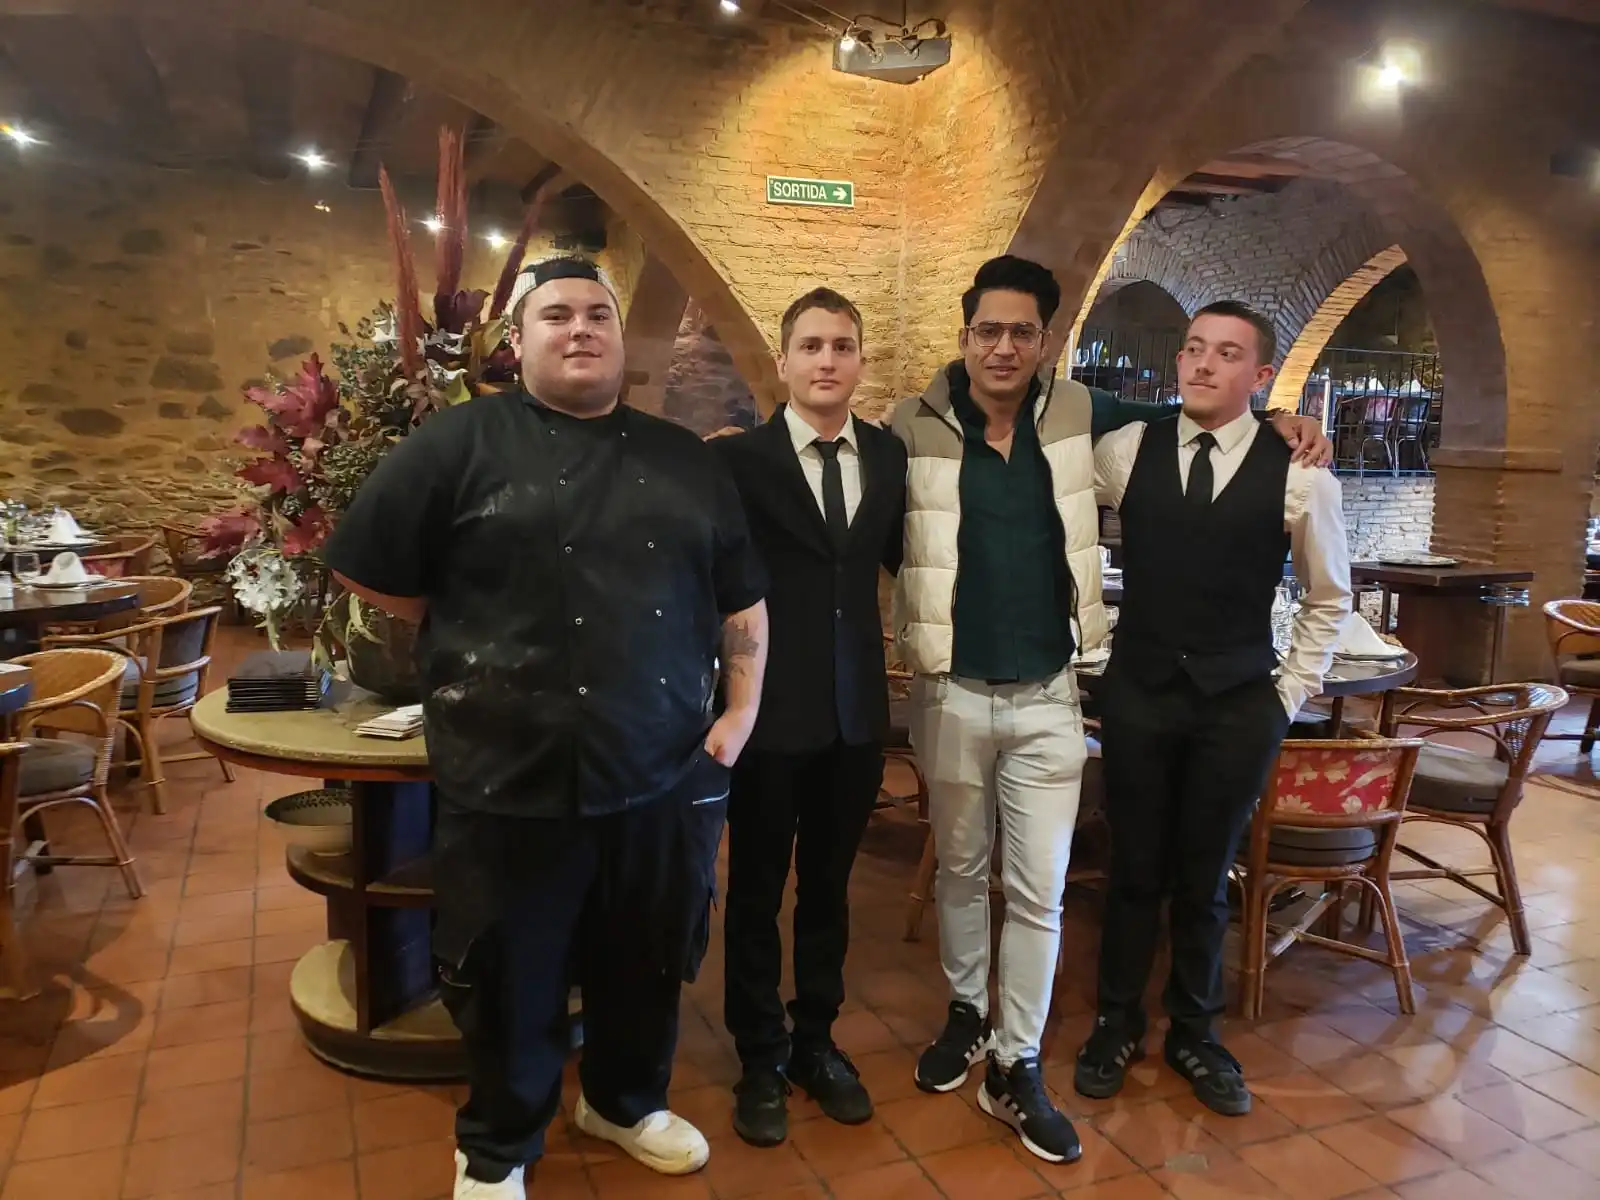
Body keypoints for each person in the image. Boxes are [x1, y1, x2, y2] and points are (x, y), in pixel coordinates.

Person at [322, 255, 769, 1199]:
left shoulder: (684, 458)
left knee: (647, 954)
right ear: (515, 342)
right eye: (556, 314)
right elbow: (374, 575)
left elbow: (740, 594)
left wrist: (739, 712)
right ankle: (495, 1146)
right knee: (510, 971)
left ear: (620, 338)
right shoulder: (455, 446)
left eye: (597, 314)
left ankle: (621, 1101)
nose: (580, 329)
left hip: (660, 766)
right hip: (506, 771)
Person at [890, 256, 1330, 1164]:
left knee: (1080, 888)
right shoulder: (921, 426)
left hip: (1074, 693)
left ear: (1046, 343)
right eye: (988, 329)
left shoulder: (1089, 421)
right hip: (974, 689)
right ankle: (998, 1017)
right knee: (979, 872)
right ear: (966, 335)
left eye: (1022, 331)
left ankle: (1040, 1056)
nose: (1004, 345)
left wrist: (1285, 695)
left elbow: (1324, 589)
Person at [1075, 300, 1351, 1116]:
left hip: (1238, 702)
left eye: (1225, 354)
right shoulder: (1127, 451)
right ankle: (1116, 1021)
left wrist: (1285, 695)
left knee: (1206, 874)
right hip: (1140, 691)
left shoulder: (1302, 474)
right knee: (1132, 867)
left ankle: (1196, 1032)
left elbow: (1328, 599)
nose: (1200, 364)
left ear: (1259, 376)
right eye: (1193, 348)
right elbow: (1047, 509)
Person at [709, 289, 907, 1147]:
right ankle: (759, 1053)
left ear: (861, 361)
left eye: (843, 346)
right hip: (765, 715)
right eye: (812, 346)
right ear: (784, 362)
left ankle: (816, 1043)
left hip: (856, 712)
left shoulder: (890, 458)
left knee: (829, 891)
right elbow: (716, 582)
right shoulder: (740, 463)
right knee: (755, 890)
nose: (828, 360)